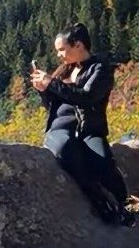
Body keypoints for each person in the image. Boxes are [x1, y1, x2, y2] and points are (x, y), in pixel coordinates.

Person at [30, 23, 133, 226]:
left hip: (89, 128)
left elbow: (87, 97)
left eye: (62, 49)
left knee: (103, 162)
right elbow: (51, 105)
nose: (59, 55)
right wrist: (43, 90)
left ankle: (126, 206)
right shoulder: (63, 71)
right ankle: (99, 201)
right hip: (60, 125)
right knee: (65, 149)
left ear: (78, 45)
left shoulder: (100, 69)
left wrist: (52, 83)